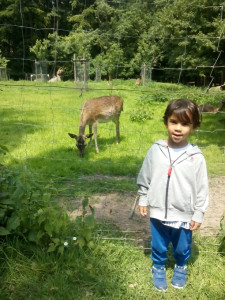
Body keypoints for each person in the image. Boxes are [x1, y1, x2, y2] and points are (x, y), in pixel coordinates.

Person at [137, 99, 209, 291]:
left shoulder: (196, 157)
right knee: (158, 243)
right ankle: (158, 267)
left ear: (193, 127)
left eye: (185, 124)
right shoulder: (156, 150)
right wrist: (143, 197)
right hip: (159, 211)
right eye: (174, 122)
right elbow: (145, 175)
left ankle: (180, 266)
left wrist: (198, 213)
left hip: (184, 213)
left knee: (182, 246)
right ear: (166, 122)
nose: (178, 128)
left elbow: (202, 188)